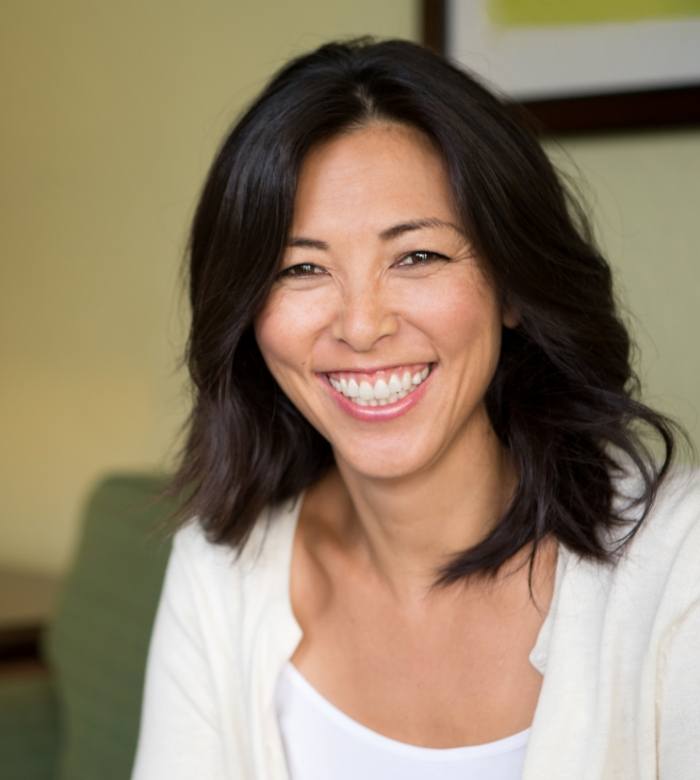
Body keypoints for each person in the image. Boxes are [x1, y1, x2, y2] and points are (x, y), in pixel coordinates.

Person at [131, 38, 699, 779]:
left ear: (513, 287)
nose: (361, 325)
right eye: (302, 268)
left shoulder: (679, 567)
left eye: (417, 257)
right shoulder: (220, 571)